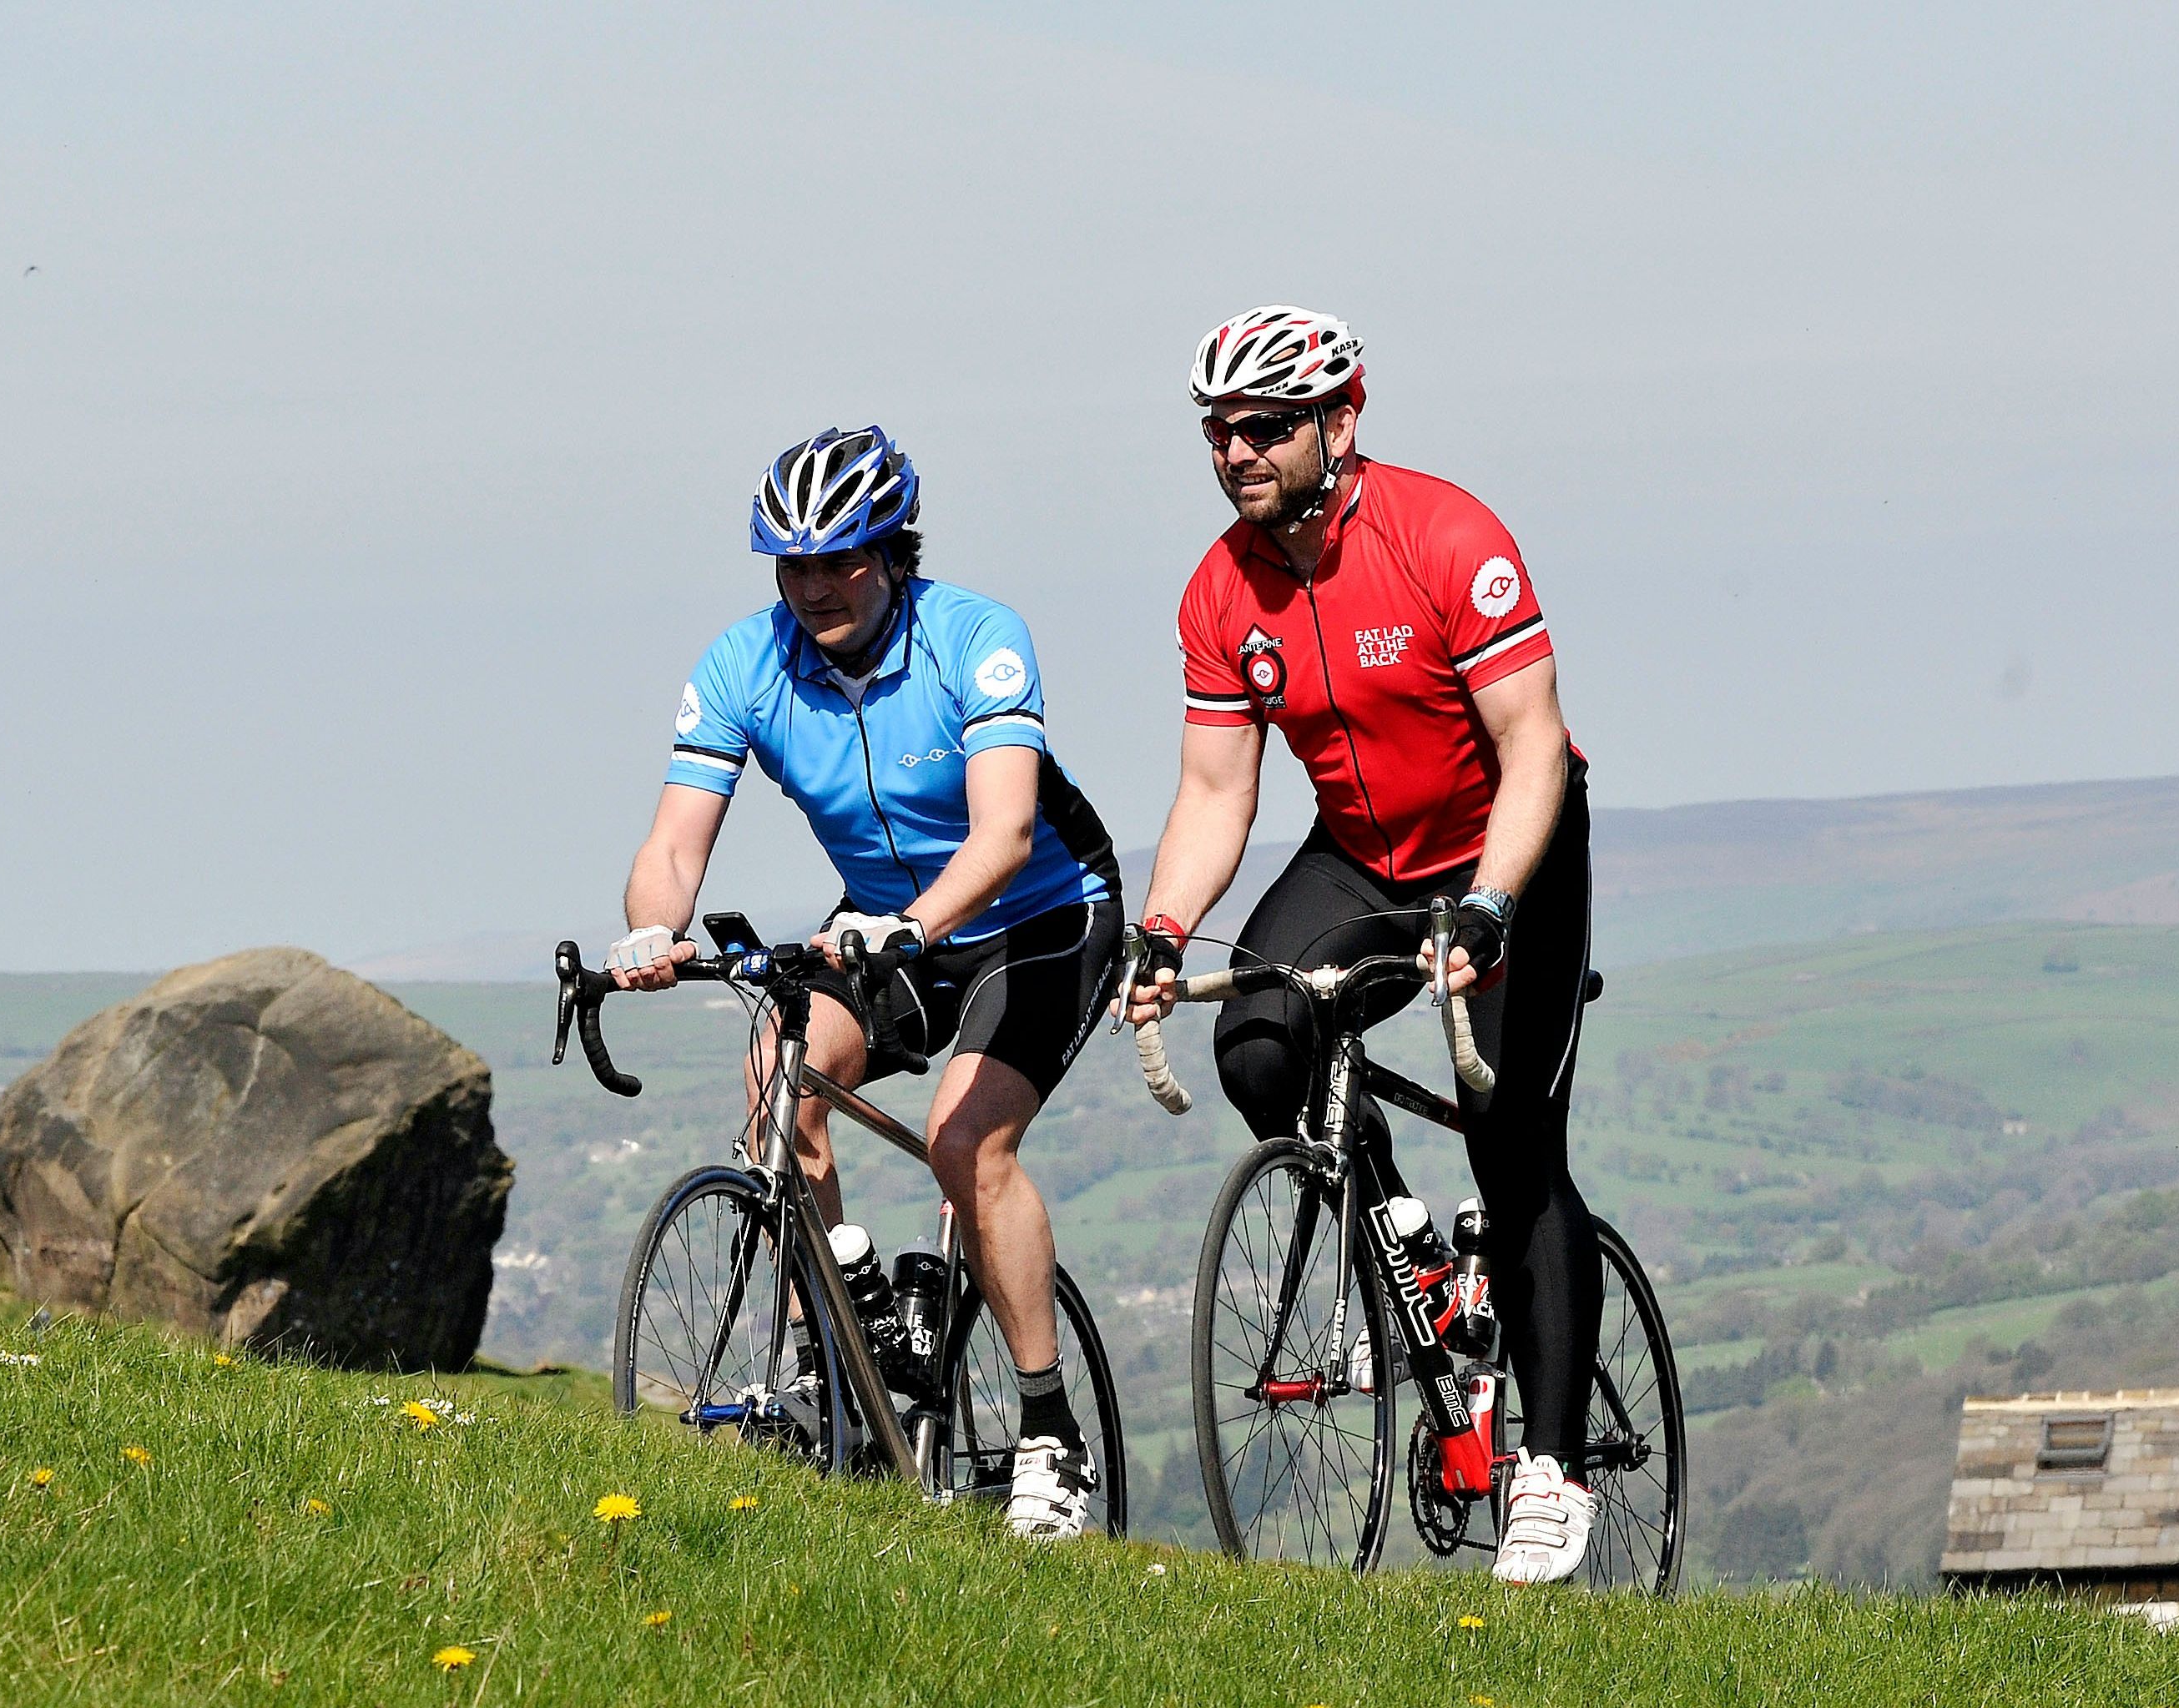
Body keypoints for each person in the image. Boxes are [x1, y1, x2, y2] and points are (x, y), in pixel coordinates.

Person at [1114, 305, 1609, 1584]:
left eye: (1265, 426)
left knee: (1511, 1140)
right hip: (1363, 855)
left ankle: (1549, 1472)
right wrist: (1164, 928)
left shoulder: (1447, 534)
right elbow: (1220, 793)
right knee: (1264, 1048)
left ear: (1341, 421)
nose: (1236, 452)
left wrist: (1497, 901)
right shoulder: (1223, 588)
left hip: (1512, 843)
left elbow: (1533, 746)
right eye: (1219, 430)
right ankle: (1410, 1241)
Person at [607, 426, 1127, 1540]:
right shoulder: (745, 664)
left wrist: (912, 926)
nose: (818, 587)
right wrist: (654, 928)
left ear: (892, 552)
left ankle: (1049, 1434)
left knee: (964, 1141)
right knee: (776, 1082)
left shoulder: (975, 638)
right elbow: (675, 842)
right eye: (794, 565)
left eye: (843, 560)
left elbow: (1005, 832)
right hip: (886, 924)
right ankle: (830, 1371)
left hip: (1040, 914)